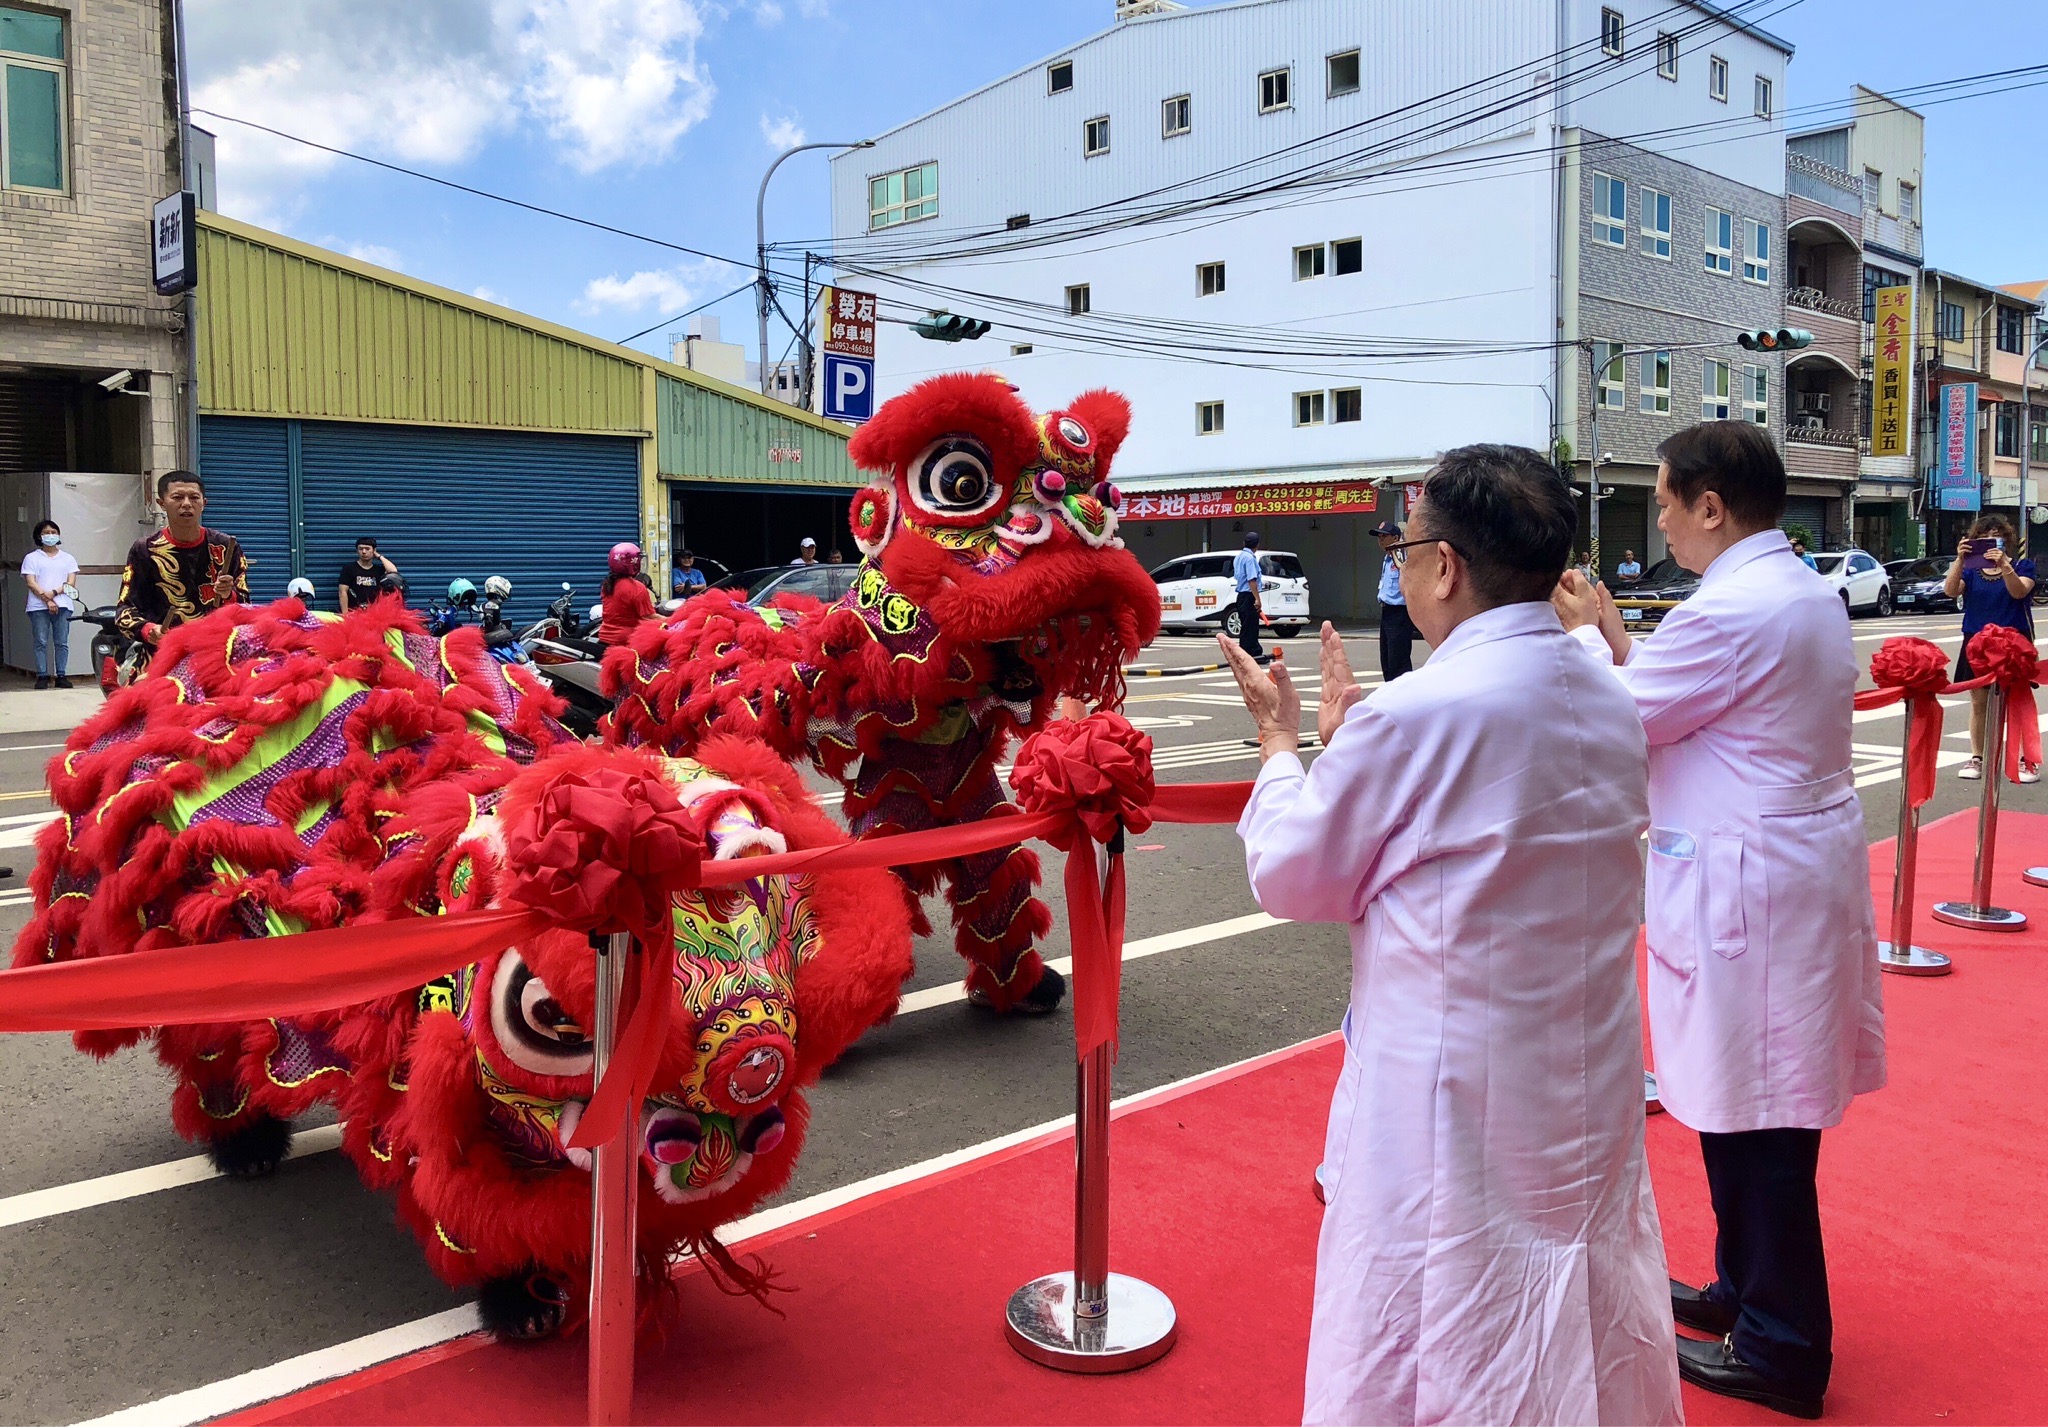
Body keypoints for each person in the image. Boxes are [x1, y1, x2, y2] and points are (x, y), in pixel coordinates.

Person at [1220, 444, 1679, 1426]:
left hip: (1450, 1083)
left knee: (1440, 1307)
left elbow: (1294, 872)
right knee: (1579, 1284)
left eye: (1404, 548)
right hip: (1581, 1066)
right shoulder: (1605, 688)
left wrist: (1281, 748)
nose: (1401, 565)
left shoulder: (1416, 713)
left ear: (1444, 565)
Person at [1554, 420, 1885, 1421]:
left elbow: (1621, 716)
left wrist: (1583, 636)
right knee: (1753, 1104)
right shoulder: (1792, 589)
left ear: (1709, 505)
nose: (1659, 520)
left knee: (1761, 1117)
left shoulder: (1733, 610)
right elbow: (1676, 695)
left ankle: (1781, 1342)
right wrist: (1615, 641)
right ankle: (1745, 1289)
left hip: (1752, 889)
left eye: (1664, 503)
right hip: (1780, 876)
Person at [1942, 513, 2037, 783]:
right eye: (1983, 537)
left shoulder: (2022, 566)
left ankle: (2026, 759)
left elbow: (2019, 592)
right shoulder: (1970, 572)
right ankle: (1978, 756)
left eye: (1996, 536)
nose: (1990, 541)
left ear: (2006, 540)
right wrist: (1959, 560)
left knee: (2016, 701)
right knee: (1979, 702)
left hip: (2013, 641)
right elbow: (1951, 591)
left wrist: (2004, 565)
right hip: (1977, 641)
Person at [115, 471, 247, 650]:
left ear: (204, 503)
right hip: (162, 650)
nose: (186, 504)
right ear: (161, 503)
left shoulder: (225, 547)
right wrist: (149, 630)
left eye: (194, 497)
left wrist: (228, 595)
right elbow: (125, 609)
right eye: (177, 497)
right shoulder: (144, 549)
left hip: (214, 649)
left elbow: (245, 605)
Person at [22, 519, 79, 690]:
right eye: (46, 533)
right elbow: (31, 582)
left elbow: (71, 583)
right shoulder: (31, 558)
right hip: (38, 606)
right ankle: (42, 675)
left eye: (54, 532)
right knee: (40, 641)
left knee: (61, 642)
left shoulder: (68, 558)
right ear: (39, 536)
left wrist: (53, 593)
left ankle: (61, 675)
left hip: (63, 605)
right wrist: (47, 600)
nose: (50, 535)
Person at [1370, 520, 1414, 680]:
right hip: (1386, 612)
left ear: (1395, 538)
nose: (1380, 540)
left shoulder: (1402, 558)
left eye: (1384, 536)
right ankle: (1390, 688)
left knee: (1398, 659)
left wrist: (1399, 552)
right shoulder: (1387, 559)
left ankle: (1404, 692)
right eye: (1379, 537)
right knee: (1387, 659)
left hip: (1399, 613)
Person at [598, 541, 654, 647]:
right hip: (627, 642)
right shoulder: (637, 587)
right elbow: (649, 617)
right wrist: (673, 619)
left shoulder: (607, 585)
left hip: (605, 639)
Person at [338, 537, 399, 612]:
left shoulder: (379, 570)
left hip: (374, 613)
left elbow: (393, 571)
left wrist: (379, 556)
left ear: (374, 550)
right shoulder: (349, 568)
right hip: (354, 612)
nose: (364, 552)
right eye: (360, 549)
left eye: (367, 549)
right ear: (357, 551)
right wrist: (345, 614)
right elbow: (343, 591)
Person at [1231, 531, 1263, 659]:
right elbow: (1252, 580)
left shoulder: (1239, 557)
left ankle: (1250, 651)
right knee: (1251, 626)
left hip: (1241, 596)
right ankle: (1249, 653)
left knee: (1246, 625)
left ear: (1244, 543)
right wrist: (1257, 599)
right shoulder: (1250, 558)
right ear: (1257, 545)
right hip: (1249, 595)